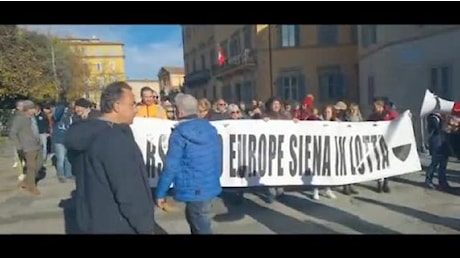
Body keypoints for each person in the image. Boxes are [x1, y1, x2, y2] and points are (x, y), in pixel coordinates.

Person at [65, 81, 155, 234]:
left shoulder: (88, 134)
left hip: (94, 220)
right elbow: (129, 191)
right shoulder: (115, 139)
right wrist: (145, 226)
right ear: (117, 106)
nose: (136, 110)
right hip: (118, 224)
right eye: (132, 104)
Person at [155, 93, 222, 234]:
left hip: (194, 187)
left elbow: (171, 166)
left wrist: (161, 192)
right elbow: (218, 157)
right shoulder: (210, 129)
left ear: (180, 112)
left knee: (200, 225)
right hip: (209, 184)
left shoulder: (179, 134)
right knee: (198, 221)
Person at [9, 100, 42, 195]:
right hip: (27, 147)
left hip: (37, 144)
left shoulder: (31, 117)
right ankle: (31, 187)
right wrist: (19, 146)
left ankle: (26, 182)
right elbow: (12, 133)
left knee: (39, 165)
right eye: (32, 109)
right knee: (31, 167)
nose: (34, 110)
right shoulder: (19, 119)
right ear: (27, 109)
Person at [425, 112, 451, 190]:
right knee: (434, 163)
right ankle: (428, 181)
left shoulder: (441, 118)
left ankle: (442, 182)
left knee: (443, 164)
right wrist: (444, 120)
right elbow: (436, 129)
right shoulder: (433, 118)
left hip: (443, 143)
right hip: (436, 143)